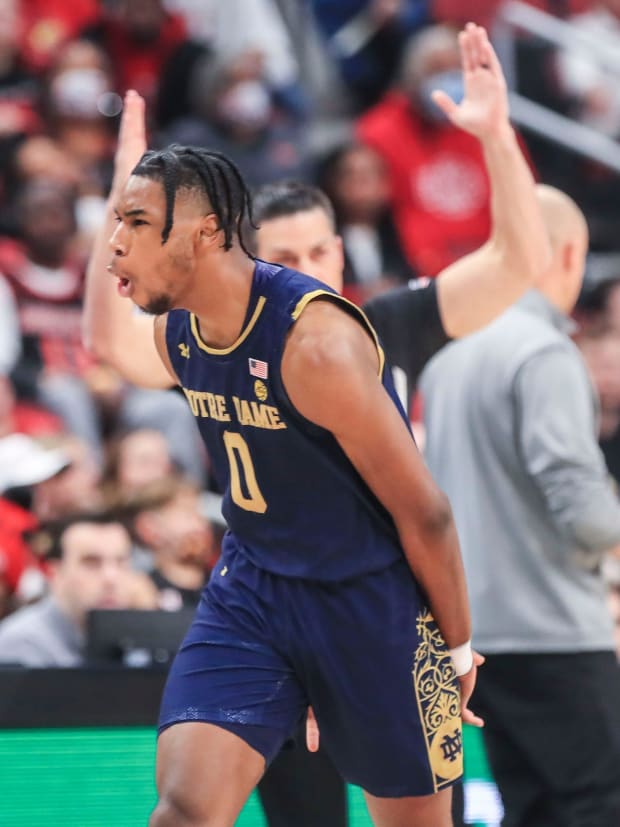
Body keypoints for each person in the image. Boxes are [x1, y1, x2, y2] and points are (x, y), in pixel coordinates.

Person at [83, 24, 548, 827]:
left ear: (203, 235)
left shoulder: (333, 337)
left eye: (133, 227)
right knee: (186, 809)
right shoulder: (185, 322)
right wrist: (122, 197)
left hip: (370, 601)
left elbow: (427, 510)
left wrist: (457, 643)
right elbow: (108, 341)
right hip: (256, 591)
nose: (117, 247)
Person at [420, 185, 620, 826]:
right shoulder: (544, 351)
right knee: (596, 803)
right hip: (555, 632)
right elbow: (583, 509)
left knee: (529, 808)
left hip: (476, 636)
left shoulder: (448, 354)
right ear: (566, 255)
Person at [0, 511, 133, 667]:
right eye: (91, 563)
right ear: (54, 573)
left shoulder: (136, 637)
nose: (111, 578)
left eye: (121, 562)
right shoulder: (22, 645)